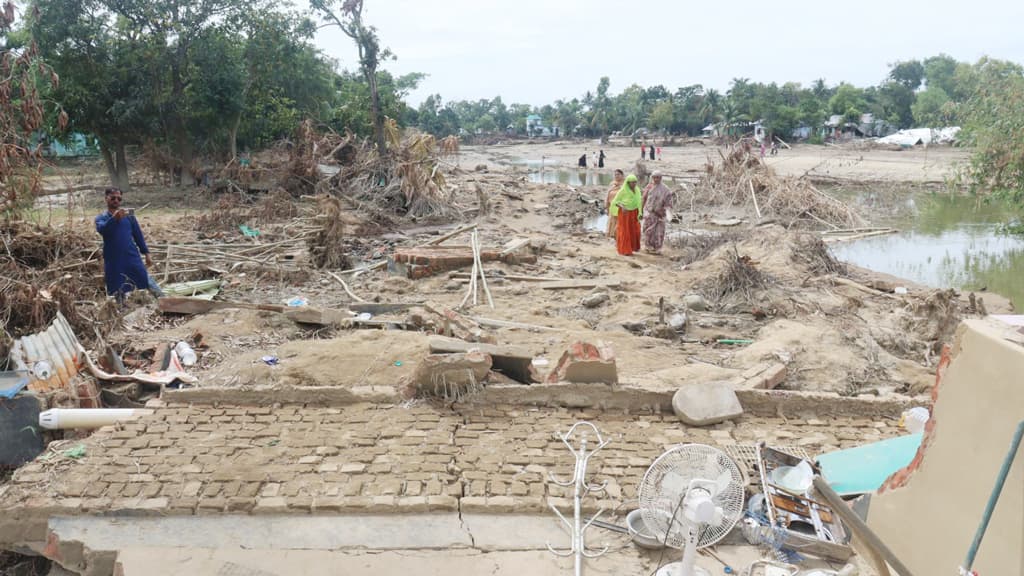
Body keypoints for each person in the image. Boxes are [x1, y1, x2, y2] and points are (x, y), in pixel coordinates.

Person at [95, 187, 164, 302]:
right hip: (114, 259)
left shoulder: (129, 216)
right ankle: (122, 310)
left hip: (131, 255)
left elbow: (138, 235)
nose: (116, 200)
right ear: (106, 199)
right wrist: (114, 219)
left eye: (119, 198)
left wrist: (146, 253)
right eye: (113, 198)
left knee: (144, 278)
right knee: (117, 286)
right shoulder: (101, 218)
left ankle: (164, 301)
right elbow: (103, 230)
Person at [642, 171, 674, 254]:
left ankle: (657, 248)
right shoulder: (649, 187)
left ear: (661, 178)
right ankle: (648, 247)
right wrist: (641, 210)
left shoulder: (666, 190)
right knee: (648, 230)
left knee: (659, 232)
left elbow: (669, 204)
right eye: (654, 177)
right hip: (649, 213)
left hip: (660, 214)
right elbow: (644, 198)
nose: (656, 179)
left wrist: (664, 211)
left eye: (658, 177)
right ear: (652, 178)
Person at [610, 174, 642, 256]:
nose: (634, 184)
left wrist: (640, 212)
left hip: (634, 212)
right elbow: (615, 201)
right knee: (625, 230)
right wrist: (622, 206)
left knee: (634, 230)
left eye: (635, 182)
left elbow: (639, 201)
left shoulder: (637, 190)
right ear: (628, 183)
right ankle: (625, 250)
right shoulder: (623, 190)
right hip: (625, 213)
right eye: (632, 183)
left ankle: (632, 247)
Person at [604, 169, 626, 237]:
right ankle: (612, 236)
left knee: (620, 223)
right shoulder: (612, 184)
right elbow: (608, 194)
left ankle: (620, 237)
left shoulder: (625, 184)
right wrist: (606, 206)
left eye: (618, 174)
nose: (616, 176)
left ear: (622, 175)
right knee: (611, 222)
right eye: (615, 175)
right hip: (612, 207)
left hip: (621, 207)